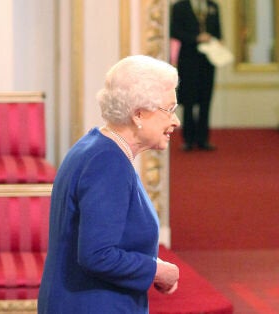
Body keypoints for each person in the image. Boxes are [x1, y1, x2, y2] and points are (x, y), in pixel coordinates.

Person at [38, 55, 181, 313]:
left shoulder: (95, 147)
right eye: (169, 110)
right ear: (139, 113)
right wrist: (156, 270)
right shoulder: (107, 162)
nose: (176, 121)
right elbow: (97, 254)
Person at [170, 0, 222, 151]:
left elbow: (218, 33)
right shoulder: (180, 7)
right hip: (188, 60)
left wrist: (212, 39)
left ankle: (203, 139)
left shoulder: (213, 6)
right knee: (188, 99)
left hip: (208, 61)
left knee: (206, 99)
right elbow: (174, 31)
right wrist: (196, 38)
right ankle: (188, 139)